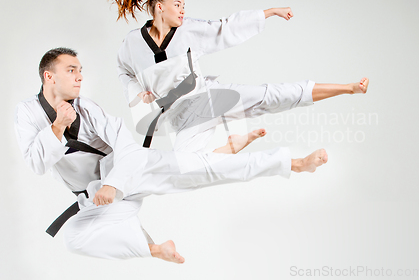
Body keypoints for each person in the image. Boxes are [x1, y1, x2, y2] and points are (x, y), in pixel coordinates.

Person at [15, 48, 328, 262]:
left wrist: (114, 183)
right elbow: (36, 163)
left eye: (80, 71)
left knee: (201, 169)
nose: (80, 77)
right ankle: (153, 249)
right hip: (97, 199)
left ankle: (292, 163)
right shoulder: (27, 113)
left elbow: (126, 147)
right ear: (49, 77)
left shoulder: (87, 107)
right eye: (71, 71)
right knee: (74, 237)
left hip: (131, 172)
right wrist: (57, 127)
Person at [110, 0, 369, 153]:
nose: (182, 11)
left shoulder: (187, 30)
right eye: (177, 5)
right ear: (158, 7)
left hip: (206, 97)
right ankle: (235, 144)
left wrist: (269, 12)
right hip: (181, 118)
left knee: (267, 96)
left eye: (184, 6)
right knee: (189, 169)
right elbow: (123, 71)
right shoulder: (132, 43)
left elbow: (224, 27)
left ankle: (348, 88)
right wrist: (137, 93)